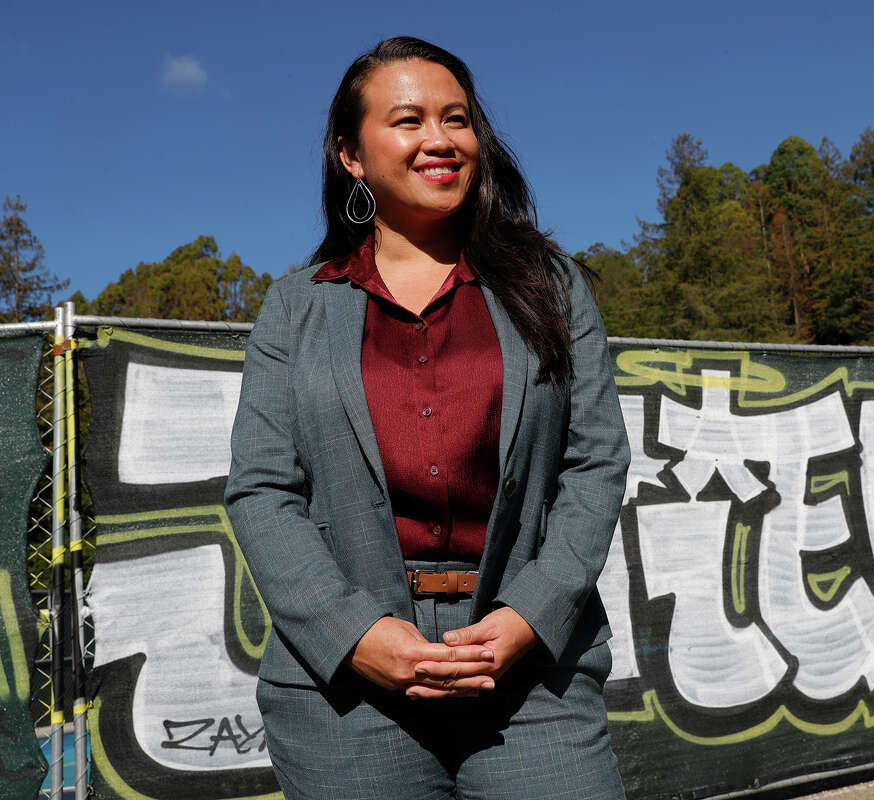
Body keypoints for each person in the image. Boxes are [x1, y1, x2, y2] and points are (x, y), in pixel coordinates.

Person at [224, 36, 630, 799]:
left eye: (457, 119)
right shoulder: (295, 306)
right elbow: (262, 490)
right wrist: (354, 635)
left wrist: (530, 615)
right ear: (351, 154)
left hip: (529, 675)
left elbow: (596, 463)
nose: (440, 140)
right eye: (409, 121)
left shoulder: (552, 285)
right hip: (346, 691)